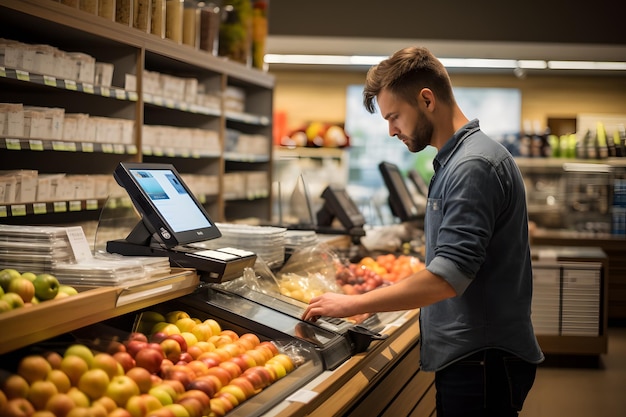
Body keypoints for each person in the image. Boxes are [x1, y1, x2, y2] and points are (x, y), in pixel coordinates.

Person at [302, 46, 544, 417]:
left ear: (426, 99)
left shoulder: (472, 165)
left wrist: (351, 304)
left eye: (395, 116)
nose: (391, 130)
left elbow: (449, 276)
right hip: (477, 356)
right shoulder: (458, 160)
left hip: (481, 360)